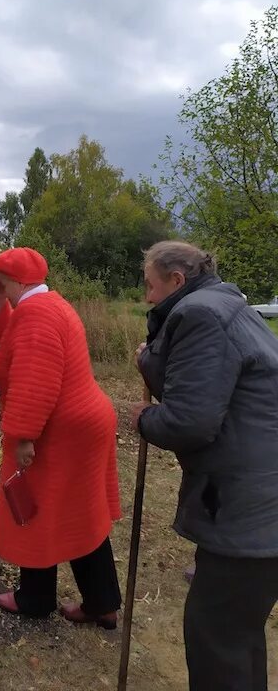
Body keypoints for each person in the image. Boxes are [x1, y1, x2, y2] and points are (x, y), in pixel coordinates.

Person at [131, 240, 278, 691]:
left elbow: (188, 421)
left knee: (216, 637)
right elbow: (202, 382)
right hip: (259, 494)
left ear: (177, 280)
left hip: (248, 505)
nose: (148, 298)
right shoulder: (226, 305)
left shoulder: (200, 316)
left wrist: (141, 418)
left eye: (151, 287)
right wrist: (148, 358)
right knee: (237, 633)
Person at [0, 246, 122, 626]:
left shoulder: (36, 315)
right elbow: (13, 340)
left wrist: (24, 435)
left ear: (16, 280)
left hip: (60, 431)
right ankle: (101, 603)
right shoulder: (49, 304)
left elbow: (34, 377)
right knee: (81, 514)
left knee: (33, 509)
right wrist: (0, 302)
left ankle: (35, 598)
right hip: (83, 424)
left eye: (1, 280)